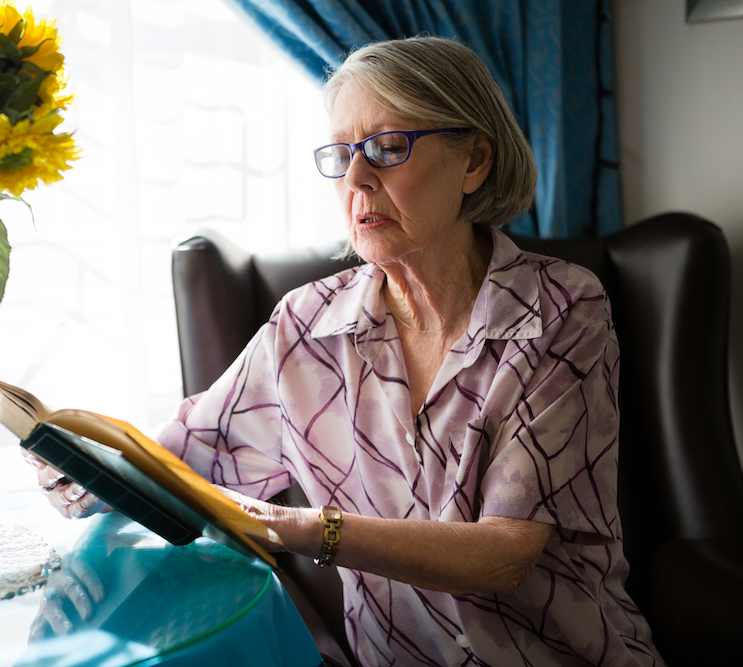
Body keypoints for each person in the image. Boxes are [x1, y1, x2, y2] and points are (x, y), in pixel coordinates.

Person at [32, 36, 665, 666]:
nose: (356, 179)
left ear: (473, 161)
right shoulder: (304, 329)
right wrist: (80, 466)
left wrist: (303, 528)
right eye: (341, 155)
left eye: (388, 148)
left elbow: (503, 554)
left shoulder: (562, 308)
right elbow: (181, 463)